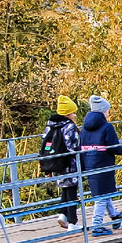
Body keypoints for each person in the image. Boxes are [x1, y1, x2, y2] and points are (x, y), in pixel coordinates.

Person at [81, 95, 122, 237]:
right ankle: (97, 225)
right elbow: (114, 147)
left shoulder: (84, 128)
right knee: (102, 196)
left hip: (90, 163)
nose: (108, 113)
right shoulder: (107, 127)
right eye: (107, 110)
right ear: (103, 111)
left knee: (103, 191)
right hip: (104, 163)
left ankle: (114, 215)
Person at [41, 95, 82, 230]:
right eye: (73, 112)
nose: (75, 115)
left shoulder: (50, 125)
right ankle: (73, 222)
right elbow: (72, 147)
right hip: (70, 164)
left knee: (65, 189)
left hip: (57, 163)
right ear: (68, 113)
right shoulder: (69, 126)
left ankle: (63, 214)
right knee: (71, 192)